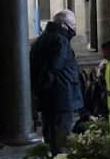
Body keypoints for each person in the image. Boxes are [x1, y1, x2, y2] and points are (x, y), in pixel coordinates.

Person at [30, 9, 84, 150]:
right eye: (73, 24)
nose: (75, 28)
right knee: (61, 138)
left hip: (49, 97)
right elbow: (54, 68)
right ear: (64, 25)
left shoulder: (41, 39)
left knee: (50, 135)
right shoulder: (60, 41)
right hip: (62, 97)